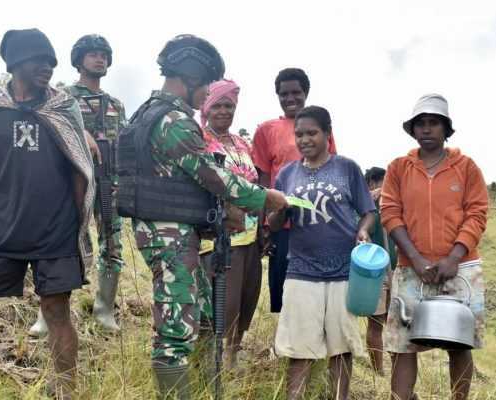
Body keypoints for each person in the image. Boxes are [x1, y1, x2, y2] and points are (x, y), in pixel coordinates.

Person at [126, 34, 287, 399]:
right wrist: (264, 197)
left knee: (201, 319)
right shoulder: (172, 121)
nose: (207, 97)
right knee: (175, 334)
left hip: (177, 234)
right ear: (191, 76)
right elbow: (213, 176)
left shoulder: (152, 114)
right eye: (206, 87)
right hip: (169, 237)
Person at [0, 29, 95, 399]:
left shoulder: (63, 109)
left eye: (51, 62)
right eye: (40, 60)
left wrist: (78, 222)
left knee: (57, 311)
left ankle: (66, 391)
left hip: (55, 235)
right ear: (15, 63)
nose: (48, 67)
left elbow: (80, 169)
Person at [381, 94, 488, 400]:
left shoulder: (466, 167)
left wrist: (454, 257)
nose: (427, 129)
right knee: (403, 345)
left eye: (434, 123)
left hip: (460, 269)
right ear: (413, 130)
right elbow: (390, 213)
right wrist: (415, 258)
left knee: (459, 343)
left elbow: (477, 213)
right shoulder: (398, 168)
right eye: (421, 124)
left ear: (446, 129)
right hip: (411, 269)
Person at [269, 106, 375, 400]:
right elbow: (274, 224)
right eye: (299, 134)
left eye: (312, 133)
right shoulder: (287, 174)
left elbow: (368, 211)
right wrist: (281, 210)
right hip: (301, 271)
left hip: (342, 272)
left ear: (328, 134)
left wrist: (363, 231)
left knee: (341, 349)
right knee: (299, 349)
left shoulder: (347, 168)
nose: (304, 140)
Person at [30, 34, 126, 335]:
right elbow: (45, 129)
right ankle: (48, 313)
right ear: (79, 60)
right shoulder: (62, 97)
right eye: (93, 54)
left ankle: (104, 309)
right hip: (70, 180)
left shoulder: (115, 105)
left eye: (104, 55)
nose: (100, 59)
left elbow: (124, 146)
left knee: (112, 244)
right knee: (59, 242)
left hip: (108, 182)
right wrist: (79, 132)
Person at [251, 68, 337, 313]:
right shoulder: (266, 130)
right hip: (282, 224)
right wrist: (263, 225)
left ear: (305, 93)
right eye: (284, 94)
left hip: (317, 221)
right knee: (285, 291)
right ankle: (288, 336)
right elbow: (263, 180)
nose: (290, 98)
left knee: (318, 288)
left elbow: (332, 171)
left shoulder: (323, 128)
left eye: (296, 92)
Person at [198, 79, 262, 369]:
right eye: (217, 105)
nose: (224, 111)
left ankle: (233, 357)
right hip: (218, 237)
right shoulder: (200, 140)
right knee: (225, 303)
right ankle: (213, 362)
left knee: (247, 300)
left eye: (229, 105)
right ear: (206, 108)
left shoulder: (242, 144)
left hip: (250, 235)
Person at [364, 166, 397, 375]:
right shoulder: (365, 206)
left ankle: (397, 369)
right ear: (372, 183)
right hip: (375, 272)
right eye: (384, 183)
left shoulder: (393, 204)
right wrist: (371, 197)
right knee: (376, 323)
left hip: (396, 271)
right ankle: (379, 372)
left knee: (395, 324)